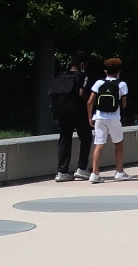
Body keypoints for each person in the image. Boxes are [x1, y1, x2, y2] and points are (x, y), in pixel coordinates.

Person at [48, 52, 93, 181]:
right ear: (83, 64)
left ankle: (62, 171)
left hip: (61, 112)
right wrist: (89, 104)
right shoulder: (83, 75)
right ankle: (82, 168)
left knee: (64, 138)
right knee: (85, 137)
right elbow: (81, 93)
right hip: (78, 111)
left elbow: (50, 92)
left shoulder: (61, 75)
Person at [87, 58, 132, 183]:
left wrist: (90, 117)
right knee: (118, 143)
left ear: (105, 71)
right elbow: (123, 104)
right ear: (119, 71)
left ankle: (95, 173)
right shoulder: (121, 84)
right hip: (114, 117)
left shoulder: (98, 83)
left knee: (98, 144)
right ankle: (119, 171)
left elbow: (90, 101)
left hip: (99, 117)